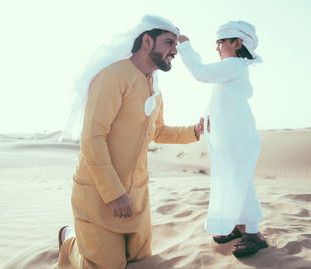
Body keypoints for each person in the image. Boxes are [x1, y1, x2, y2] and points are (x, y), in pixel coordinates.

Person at [57, 15, 205, 269]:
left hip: (136, 197)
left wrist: (194, 131)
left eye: (176, 46)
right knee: (107, 265)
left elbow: (158, 132)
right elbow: (93, 137)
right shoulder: (112, 76)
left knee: (139, 258)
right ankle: (70, 240)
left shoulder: (154, 89)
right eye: (169, 42)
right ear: (147, 41)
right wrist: (114, 193)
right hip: (100, 193)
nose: (175, 51)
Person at [177, 20, 267, 257]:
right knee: (230, 181)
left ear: (237, 44)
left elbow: (200, 73)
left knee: (240, 182)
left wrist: (185, 47)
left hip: (238, 140)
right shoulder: (233, 68)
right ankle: (236, 226)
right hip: (231, 140)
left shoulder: (234, 65)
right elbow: (221, 101)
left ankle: (254, 233)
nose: (217, 47)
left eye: (221, 42)